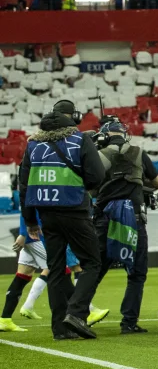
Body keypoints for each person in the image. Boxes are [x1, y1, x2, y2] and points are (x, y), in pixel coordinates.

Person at [17, 99, 105, 340]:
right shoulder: (80, 140)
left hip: (46, 215)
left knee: (56, 269)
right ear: (72, 119)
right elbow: (97, 176)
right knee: (92, 263)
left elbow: (23, 186)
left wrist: (30, 221)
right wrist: (81, 189)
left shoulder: (33, 145)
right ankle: (76, 314)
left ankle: (60, 330)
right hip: (75, 210)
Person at [91, 117, 158, 334]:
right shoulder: (138, 152)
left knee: (96, 269)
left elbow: (90, 187)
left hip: (105, 217)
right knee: (136, 272)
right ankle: (128, 322)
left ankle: (77, 313)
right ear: (124, 134)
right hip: (133, 217)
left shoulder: (98, 155)